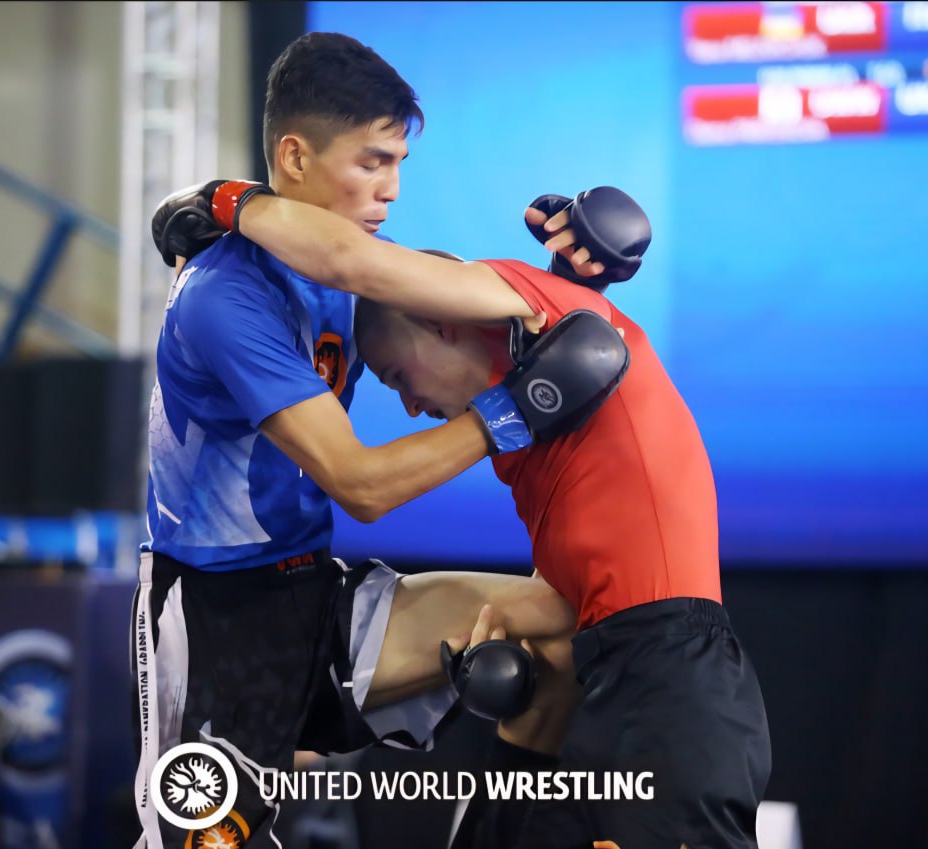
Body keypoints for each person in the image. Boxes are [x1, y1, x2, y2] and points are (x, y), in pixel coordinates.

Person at [134, 32, 625, 849]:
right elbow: (358, 483)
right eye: (372, 161)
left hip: (321, 600)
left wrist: (567, 280)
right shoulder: (224, 298)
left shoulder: (368, 267)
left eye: (399, 163)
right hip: (215, 618)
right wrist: (513, 412)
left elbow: (482, 305)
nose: (392, 189)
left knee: (557, 635)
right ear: (295, 156)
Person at [177, 183, 774, 849]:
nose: (407, 405)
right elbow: (568, 609)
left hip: (672, 682)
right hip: (608, 669)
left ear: (439, 318)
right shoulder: (535, 404)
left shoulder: (547, 314)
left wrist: (229, 202)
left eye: (398, 375)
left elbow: (357, 265)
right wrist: (501, 676)